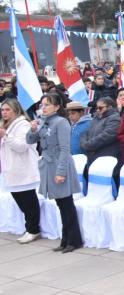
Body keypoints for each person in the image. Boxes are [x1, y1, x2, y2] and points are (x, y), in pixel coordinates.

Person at [27, 94, 83, 253]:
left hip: (59, 164)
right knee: (60, 204)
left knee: (66, 204)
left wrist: (61, 172)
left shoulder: (61, 122)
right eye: (42, 105)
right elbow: (31, 140)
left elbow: (65, 149)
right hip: (48, 165)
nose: (43, 108)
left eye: (47, 105)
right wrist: (32, 130)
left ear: (57, 107)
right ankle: (66, 239)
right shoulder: (43, 122)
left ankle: (74, 240)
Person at [0, 99, 42, 244]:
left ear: (15, 110)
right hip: (11, 169)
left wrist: (5, 136)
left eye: (7, 110)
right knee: (20, 201)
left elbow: (22, 146)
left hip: (23, 168)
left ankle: (33, 229)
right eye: (3, 110)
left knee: (28, 201)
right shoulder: (6, 125)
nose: (4, 112)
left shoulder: (22, 124)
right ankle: (29, 228)